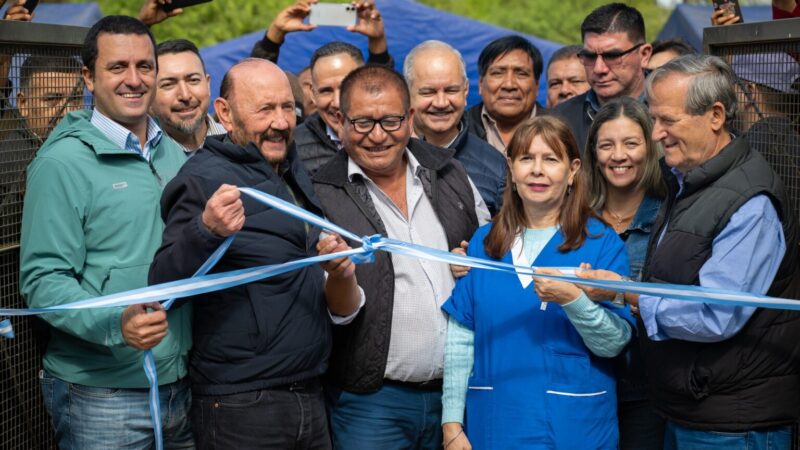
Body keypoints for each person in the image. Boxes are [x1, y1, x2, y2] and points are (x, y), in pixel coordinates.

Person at [581, 54, 800, 449]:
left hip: (733, 423)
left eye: (667, 121)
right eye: (653, 120)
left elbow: (718, 313)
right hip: (696, 407)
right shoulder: (689, 182)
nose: (655, 134)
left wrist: (626, 292)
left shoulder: (749, 201)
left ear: (715, 115)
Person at [149, 57, 357, 449]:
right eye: (265, 110)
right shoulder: (200, 180)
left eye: (287, 108)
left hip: (309, 390)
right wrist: (205, 231)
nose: (280, 122)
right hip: (241, 403)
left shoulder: (289, 167)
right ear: (225, 114)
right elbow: (161, 288)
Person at [19, 16, 191, 449]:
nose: (134, 80)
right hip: (102, 396)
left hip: (181, 384)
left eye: (145, 66)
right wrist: (117, 322)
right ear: (88, 78)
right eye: (117, 68)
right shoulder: (62, 164)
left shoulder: (176, 153)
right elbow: (43, 282)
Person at [313, 64, 488, 449]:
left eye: (391, 121)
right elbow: (336, 311)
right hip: (372, 403)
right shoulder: (322, 193)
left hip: (459, 395)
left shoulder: (449, 172)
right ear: (341, 121)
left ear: (410, 118)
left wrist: (473, 257)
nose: (378, 135)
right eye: (362, 123)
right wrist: (340, 274)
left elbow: (493, 252)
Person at [441, 115, 634, 449]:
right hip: (496, 422)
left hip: (574, 427)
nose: (537, 170)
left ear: (573, 170)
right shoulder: (484, 243)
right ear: (511, 168)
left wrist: (574, 301)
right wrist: (452, 425)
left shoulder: (602, 242)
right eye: (526, 158)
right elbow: (461, 342)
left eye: (551, 159)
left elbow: (614, 343)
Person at [583, 97, 666, 449]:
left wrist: (621, 292)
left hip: (647, 391)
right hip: (584, 386)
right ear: (593, 154)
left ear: (649, 148)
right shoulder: (574, 221)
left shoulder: (669, 218)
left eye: (631, 143)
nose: (618, 155)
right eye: (607, 145)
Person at [404, 40, 507, 216]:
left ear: (466, 91)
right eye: (428, 92)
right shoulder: (387, 155)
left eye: (451, 91)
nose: (441, 103)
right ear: (406, 93)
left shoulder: (494, 165)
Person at [552, 3, 652, 151]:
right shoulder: (559, 121)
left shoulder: (677, 109)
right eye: (589, 56)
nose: (599, 69)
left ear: (644, 55)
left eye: (612, 56)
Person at [295, 41, 394, 174]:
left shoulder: (395, 133)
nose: (337, 102)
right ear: (313, 94)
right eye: (326, 91)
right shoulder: (294, 147)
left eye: (345, 87)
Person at [466, 35, 545, 153]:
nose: (509, 85)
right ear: (481, 84)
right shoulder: (458, 129)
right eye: (498, 73)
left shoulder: (563, 130)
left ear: (537, 86)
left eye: (521, 74)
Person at [151, 39, 226, 156]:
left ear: (208, 85)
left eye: (193, 80)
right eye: (168, 85)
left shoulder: (240, 141)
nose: (185, 96)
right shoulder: (143, 159)